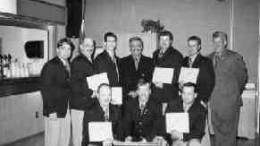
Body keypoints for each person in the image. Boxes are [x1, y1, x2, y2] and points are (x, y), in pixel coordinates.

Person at [208, 31, 248, 146]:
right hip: (215, 103)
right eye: (214, 42)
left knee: (229, 136)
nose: (216, 45)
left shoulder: (234, 57)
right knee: (218, 133)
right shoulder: (209, 58)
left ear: (225, 42)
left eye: (219, 42)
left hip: (230, 103)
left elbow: (242, 78)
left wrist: (233, 94)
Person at [40, 38, 74, 146]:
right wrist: (51, 110)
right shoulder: (50, 65)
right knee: (53, 140)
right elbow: (46, 89)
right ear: (57, 50)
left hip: (65, 108)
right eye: (63, 48)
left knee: (64, 138)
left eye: (69, 49)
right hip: (54, 109)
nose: (67, 51)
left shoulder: (69, 64)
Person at [70, 37, 97, 146]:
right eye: (87, 45)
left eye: (92, 46)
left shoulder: (90, 60)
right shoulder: (78, 61)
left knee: (85, 135)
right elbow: (76, 84)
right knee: (79, 136)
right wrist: (91, 92)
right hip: (80, 105)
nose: (90, 48)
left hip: (88, 104)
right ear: (81, 47)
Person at [152, 30, 183, 110]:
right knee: (157, 119)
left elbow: (177, 75)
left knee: (168, 119)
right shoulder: (155, 53)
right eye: (162, 39)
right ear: (159, 41)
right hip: (155, 92)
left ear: (171, 41)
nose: (164, 42)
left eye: (166, 40)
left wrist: (163, 84)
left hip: (169, 92)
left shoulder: (176, 55)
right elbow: (153, 71)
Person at [182, 35, 215, 105]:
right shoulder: (184, 61)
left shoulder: (205, 62)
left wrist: (203, 100)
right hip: (185, 100)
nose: (191, 48)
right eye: (189, 45)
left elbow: (210, 83)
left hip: (199, 100)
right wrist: (180, 85)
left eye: (193, 46)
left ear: (199, 47)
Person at [119, 36, 154, 101]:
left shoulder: (150, 62)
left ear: (142, 47)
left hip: (145, 98)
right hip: (128, 99)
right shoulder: (122, 62)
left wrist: (140, 92)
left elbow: (152, 80)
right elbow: (120, 82)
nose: (135, 48)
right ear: (130, 48)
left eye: (138, 45)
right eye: (133, 46)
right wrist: (127, 93)